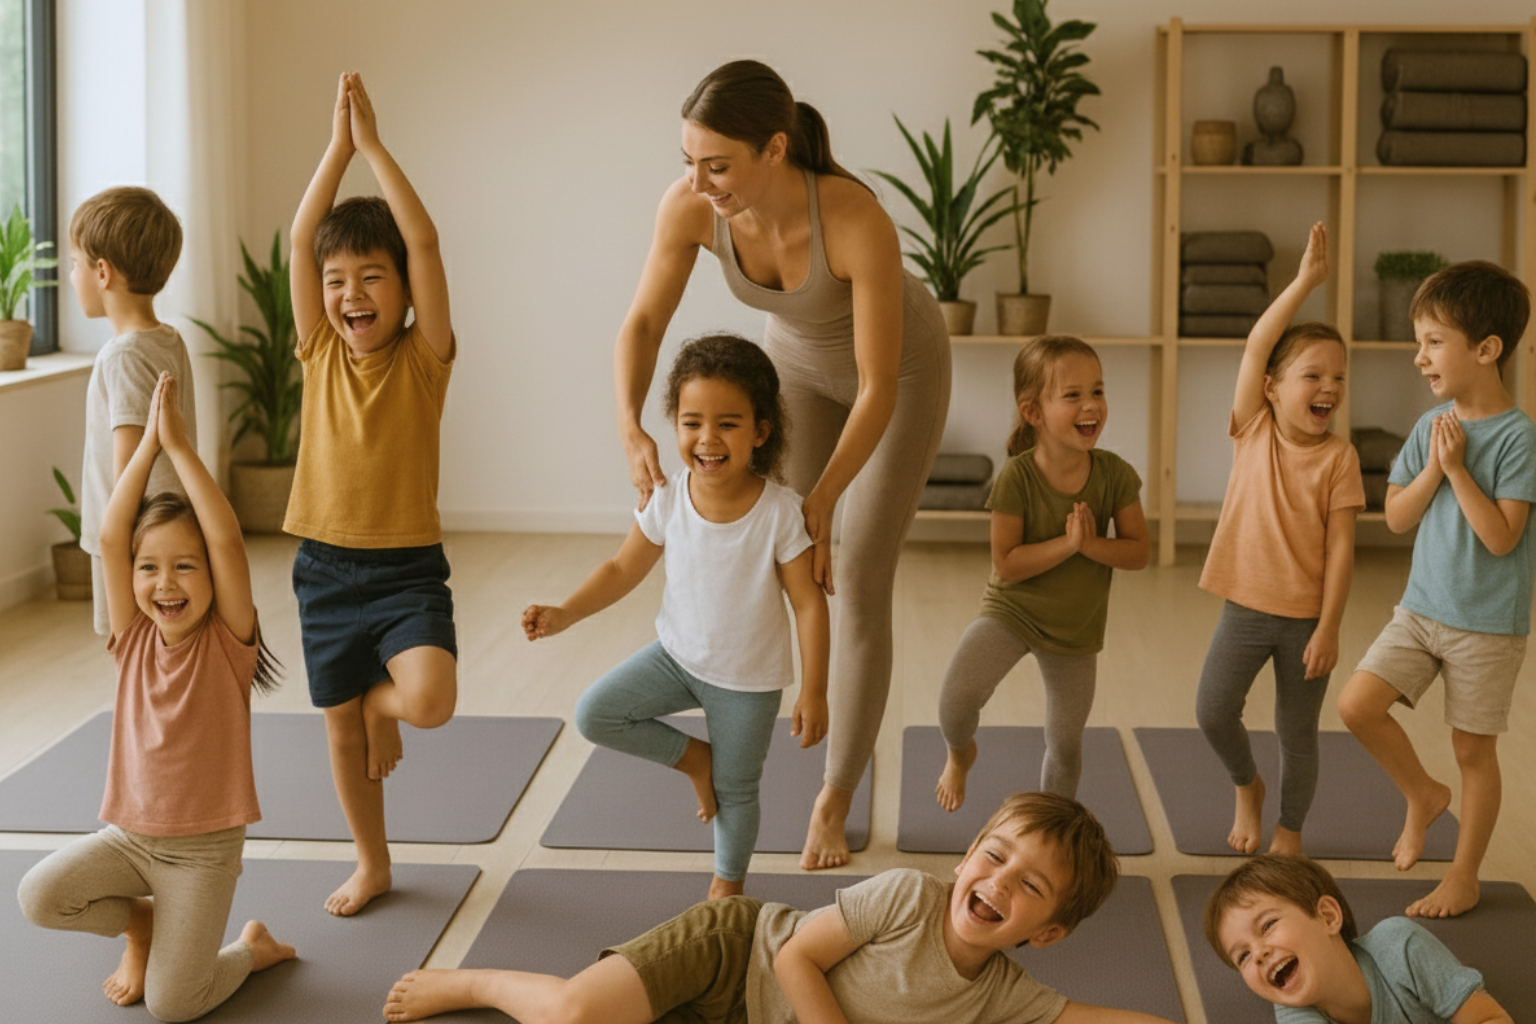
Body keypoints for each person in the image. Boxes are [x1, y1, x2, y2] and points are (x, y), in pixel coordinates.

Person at [613, 59, 951, 870]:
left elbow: (873, 386)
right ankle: (747, 751)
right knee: (775, 560)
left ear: (773, 149)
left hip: (897, 374)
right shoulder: (689, 204)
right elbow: (643, 323)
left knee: (858, 572)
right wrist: (630, 426)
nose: (698, 181)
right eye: (688, 160)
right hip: (795, 367)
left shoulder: (851, 215)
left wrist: (825, 496)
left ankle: (836, 797)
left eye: (716, 165)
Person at [380, 791, 1179, 1024]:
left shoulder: (1002, 994)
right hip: (737, 949)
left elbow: (1104, 1022)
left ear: (1048, 933)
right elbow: (797, 955)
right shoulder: (908, 894)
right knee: (576, 1019)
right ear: (968, 856)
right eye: (995, 858)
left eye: (1029, 888)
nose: (999, 884)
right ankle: (478, 982)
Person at [18, 374, 294, 1021]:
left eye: (184, 566)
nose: (164, 583)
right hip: (130, 840)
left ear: (211, 576)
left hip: (203, 854)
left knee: (172, 1005)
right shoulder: (132, 638)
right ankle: (141, 926)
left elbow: (225, 536)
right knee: (39, 896)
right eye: (150, 568)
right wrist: (147, 448)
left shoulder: (229, 642)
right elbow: (113, 537)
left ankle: (251, 949)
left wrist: (182, 449)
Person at [525, 333, 829, 901]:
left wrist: (815, 690)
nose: (707, 439)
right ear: (675, 426)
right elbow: (621, 568)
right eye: (692, 423)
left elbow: (809, 604)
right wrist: (566, 612)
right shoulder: (665, 497)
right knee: (596, 713)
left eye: (728, 424)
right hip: (677, 658)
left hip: (748, 682)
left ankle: (727, 888)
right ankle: (696, 759)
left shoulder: (781, 513)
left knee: (737, 791)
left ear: (761, 431)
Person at [286, 71, 458, 916]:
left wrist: (373, 148)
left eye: (372, 278)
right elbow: (299, 242)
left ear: (401, 291)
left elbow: (423, 242)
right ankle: (372, 860)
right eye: (337, 280)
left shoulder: (425, 361)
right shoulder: (317, 351)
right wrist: (334, 148)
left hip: (404, 571)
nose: (351, 293)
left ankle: (376, 699)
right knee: (339, 730)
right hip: (323, 569)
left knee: (426, 699)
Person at [1337, 260, 1534, 919]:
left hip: (1487, 624)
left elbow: (1502, 537)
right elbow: (1395, 516)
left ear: (1486, 349)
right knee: (1358, 705)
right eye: (1419, 341)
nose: (1419, 357)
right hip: (1420, 611)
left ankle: (1465, 874)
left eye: (1432, 342)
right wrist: (1434, 469)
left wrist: (1457, 470)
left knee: (1473, 750)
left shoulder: (1518, 438)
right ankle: (1422, 794)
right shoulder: (1429, 428)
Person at [1194, 223, 1365, 857]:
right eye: (1312, 375)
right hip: (1244, 606)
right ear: (1271, 387)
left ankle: (1290, 829)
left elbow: (1343, 548)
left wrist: (1329, 626)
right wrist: (1304, 283)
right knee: (1213, 712)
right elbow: (1257, 344)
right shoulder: (1253, 429)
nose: (1328, 388)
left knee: (1299, 734)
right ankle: (1248, 785)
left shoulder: (1340, 459)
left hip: (1304, 620)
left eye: (1338, 379)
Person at [936, 337, 1149, 812]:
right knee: (954, 703)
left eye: (1097, 391)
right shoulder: (1017, 477)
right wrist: (1070, 545)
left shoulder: (1115, 475)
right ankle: (960, 754)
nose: (1091, 405)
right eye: (1072, 395)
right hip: (1012, 612)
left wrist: (1092, 545)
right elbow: (1007, 563)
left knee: (1066, 741)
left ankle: (1046, 828)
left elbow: (1139, 553)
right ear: (1033, 412)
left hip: (1075, 631)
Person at [73, 185, 197, 637]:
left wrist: (123, 550)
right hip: (170, 534)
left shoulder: (122, 355)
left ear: (102, 272)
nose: (72, 276)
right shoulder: (169, 339)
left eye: (74, 263)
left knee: (132, 655)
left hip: (135, 544)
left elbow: (130, 468)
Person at [1205, 853, 1512, 1024]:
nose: (1257, 953)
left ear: (1327, 917)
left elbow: (1489, 1018)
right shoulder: (1293, 1011)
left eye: (1268, 925)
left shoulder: (1399, 947)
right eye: (1242, 956)